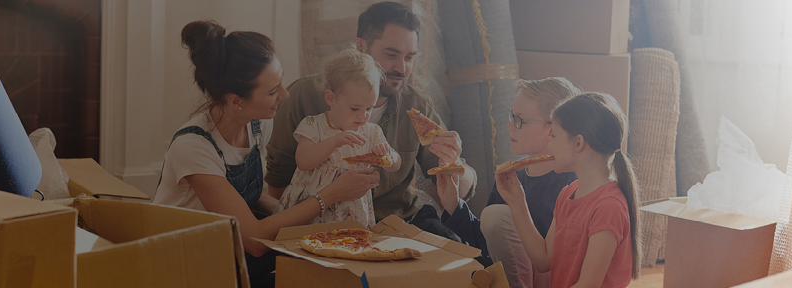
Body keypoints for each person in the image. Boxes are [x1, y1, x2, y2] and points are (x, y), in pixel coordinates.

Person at [152, 20, 378, 287]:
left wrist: (304, 208)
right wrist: (331, 195)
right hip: (185, 266)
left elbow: (248, 196)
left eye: (280, 84)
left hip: (229, 247)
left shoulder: (257, 124)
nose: (284, 95)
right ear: (236, 101)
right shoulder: (194, 147)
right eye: (272, 91)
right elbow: (255, 241)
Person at [266, 1, 475, 226]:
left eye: (409, 57)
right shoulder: (303, 96)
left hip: (396, 225)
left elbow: (462, 188)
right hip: (320, 225)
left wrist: (455, 164)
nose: (402, 69)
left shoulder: (416, 106)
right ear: (360, 46)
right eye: (391, 54)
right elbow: (278, 183)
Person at [496, 92, 642, 288]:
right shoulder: (567, 193)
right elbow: (543, 260)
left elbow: (587, 285)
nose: (550, 143)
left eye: (554, 135)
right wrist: (517, 202)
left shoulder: (609, 207)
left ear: (578, 143)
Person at [275, 49, 400, 228]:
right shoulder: (313, 125)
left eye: (369, 109)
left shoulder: (372, 132)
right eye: (355, 108)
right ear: (331, 98)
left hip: (351, 213)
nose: (363, 116)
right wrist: (334, 141)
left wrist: (389, 155)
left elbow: (396, 165)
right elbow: (303, 161)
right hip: (311, 211)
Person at [481, 78, 582, 288]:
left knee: (496, 216)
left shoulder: (575, 184)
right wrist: (454, 203)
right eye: (512, 116)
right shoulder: (511, 175)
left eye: (519, 120)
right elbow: (488, 243)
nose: (510, 126)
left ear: (551, 129)